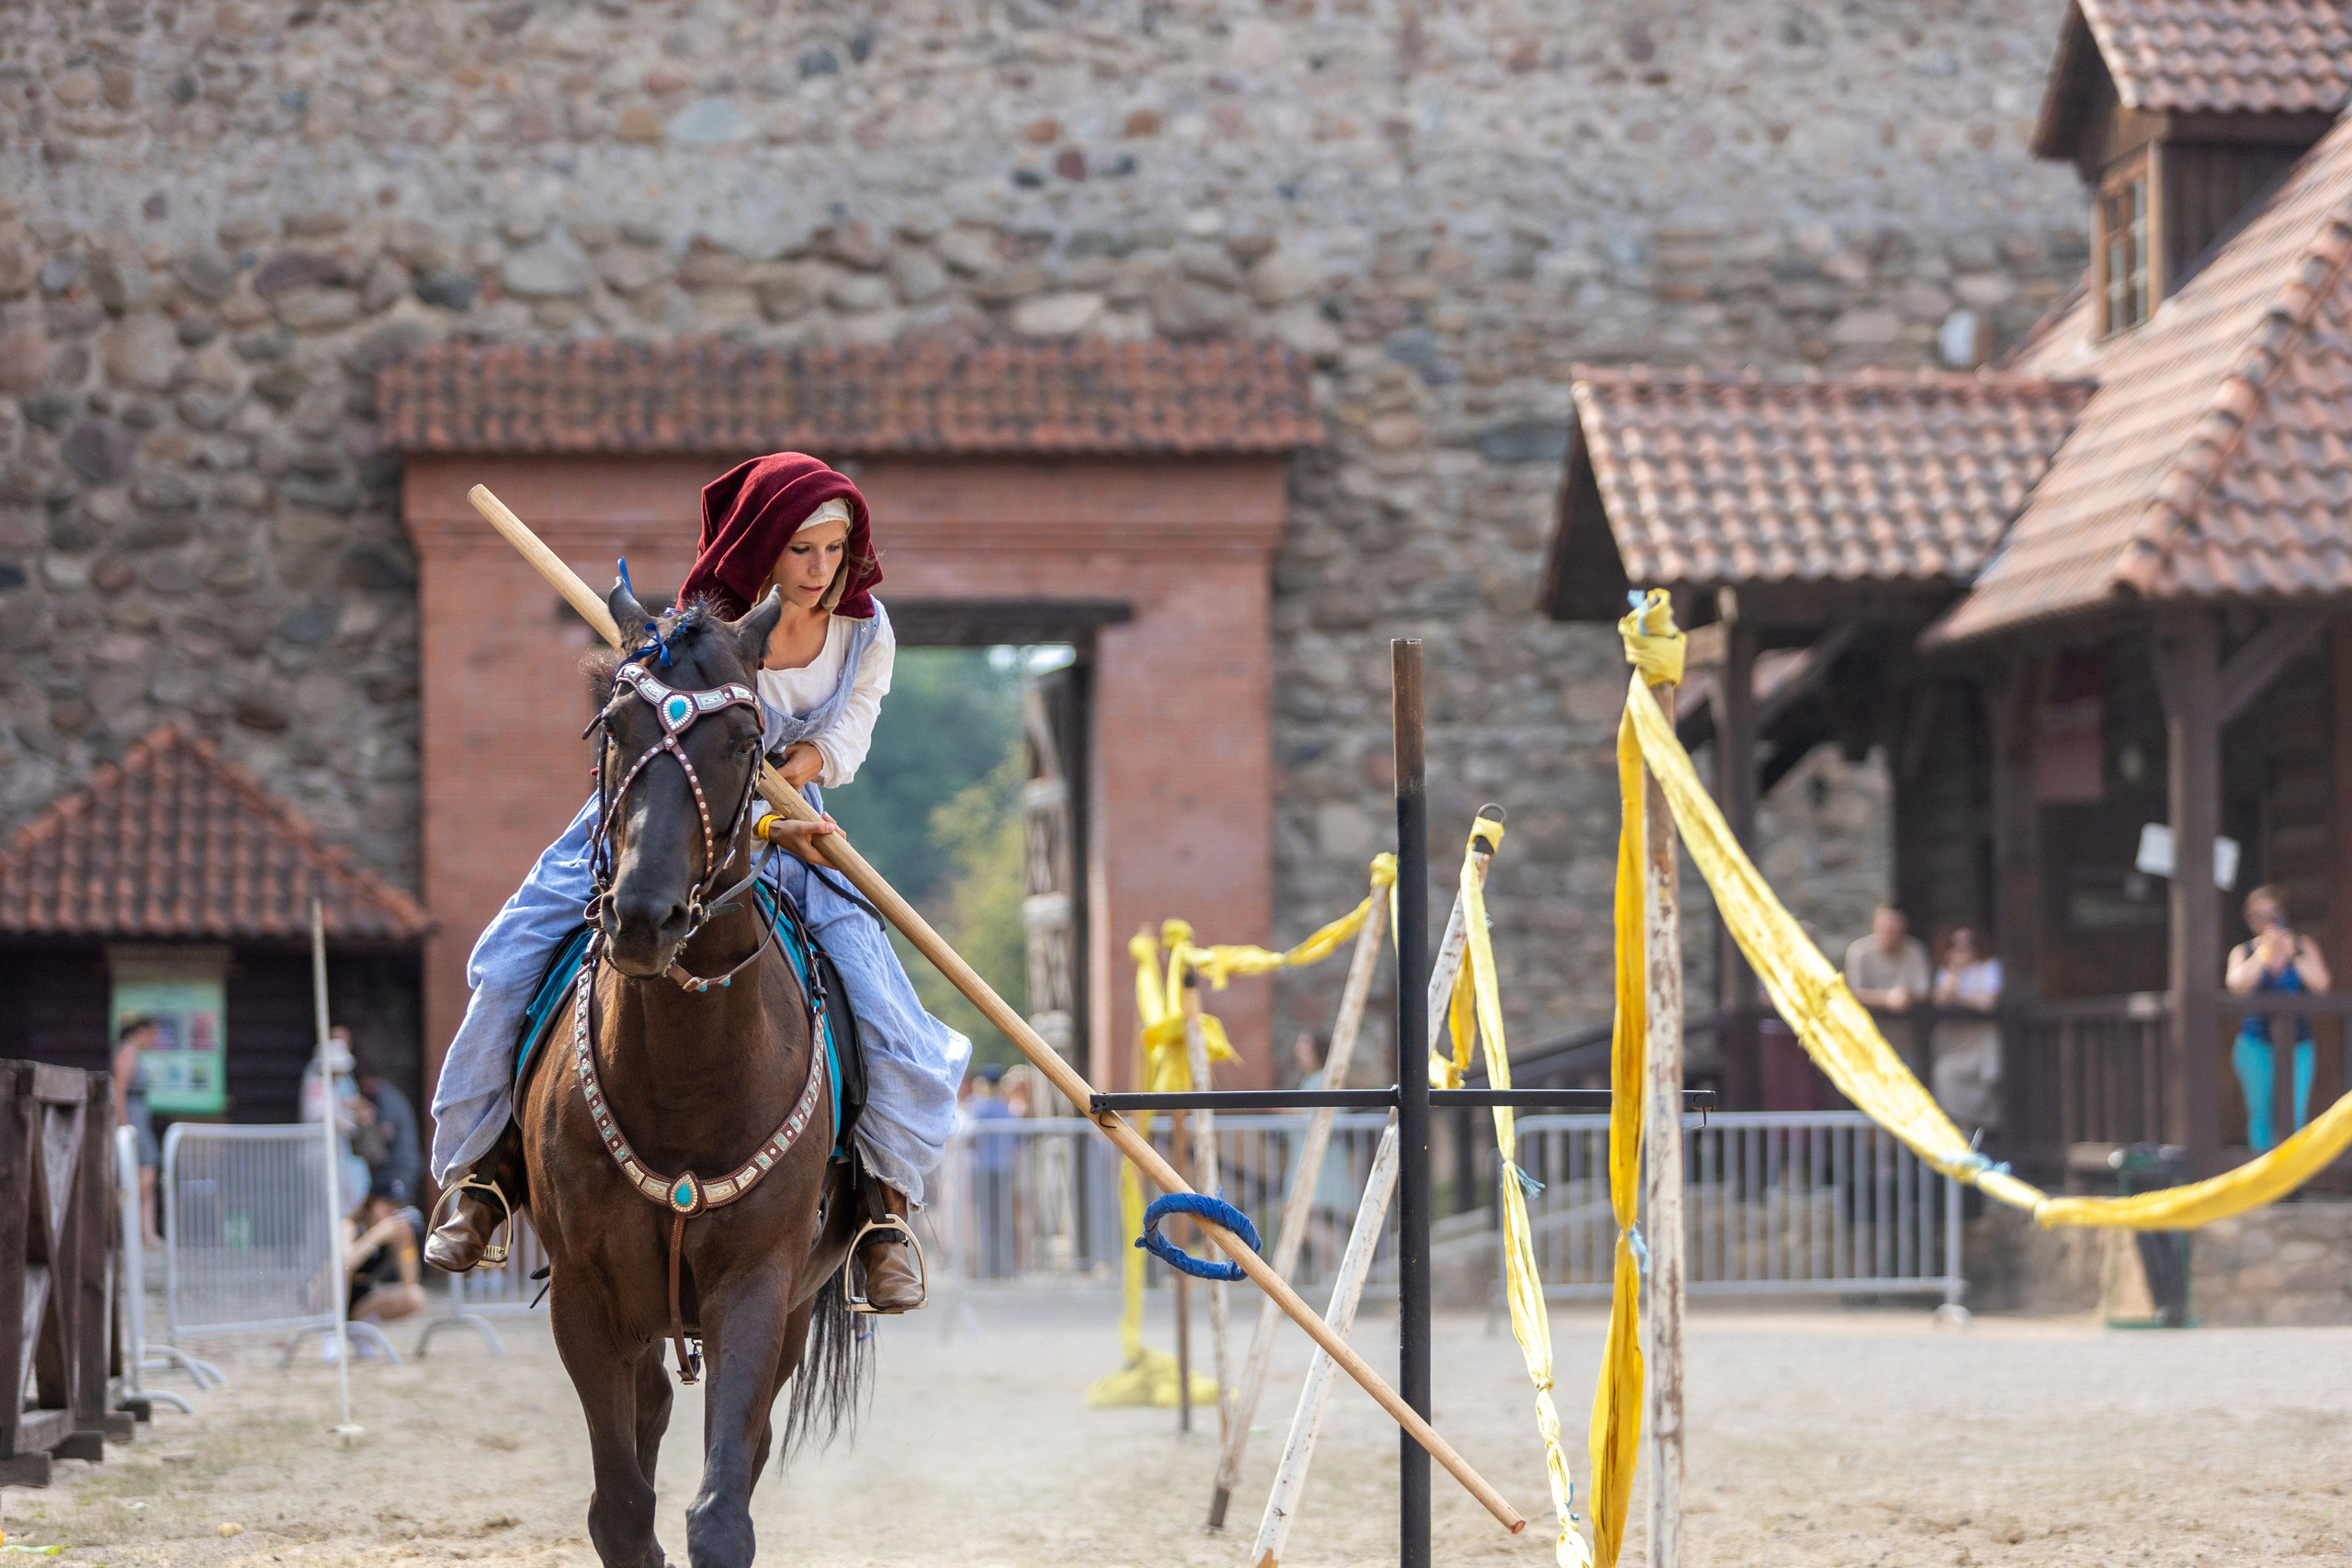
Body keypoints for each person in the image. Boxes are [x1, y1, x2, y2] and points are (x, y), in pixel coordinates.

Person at [424, 453, 970, 1314]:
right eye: (802, 550)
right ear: (763, 546)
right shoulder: (685, 633)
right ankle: (484, 1170)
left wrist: (804, 762)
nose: (821, 569)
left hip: (793, 827)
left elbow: (853, 730)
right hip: (665, 820)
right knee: (510, 956)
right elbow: (643, 744)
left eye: (835, 549)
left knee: (883, 1001)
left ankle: (880, 1209)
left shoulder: (868, 633)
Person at [2225, 885, 2331, 1152]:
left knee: (2293, 1116)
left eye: (2273, 914)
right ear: (2250, 920)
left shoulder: (2302, 945)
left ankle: (2292, 1185)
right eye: (2259, 916)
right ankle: (2264, 1181)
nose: (2268, 922)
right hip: (2255, 1043)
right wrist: (2264, 953)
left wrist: (2291, 952)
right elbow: (2236, 984)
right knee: (2261, 1116)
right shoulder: (2244, 951)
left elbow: (2321, 983)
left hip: (2298, 1044)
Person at [1928, 926, 2003, 1137]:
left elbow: (1988, 1002)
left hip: (1981, 1042)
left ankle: (1987, 1134)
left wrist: (1960, 998)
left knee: (1988, 1085)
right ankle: (1960, 1131)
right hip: (1955, 1043)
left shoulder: (1989, 969)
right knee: (1945, 1075)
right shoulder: (1947, 973)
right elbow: (1941, 1000)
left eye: (1967, 946)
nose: (1962, 952)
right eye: (1956, 947)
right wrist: (1954, 976)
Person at [111, 1016, 163, 1247]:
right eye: (151, 1034)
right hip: (132, 1119)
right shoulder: (127, 1052)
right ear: (140, 1031)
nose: (154, 1040)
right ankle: (120, 1206)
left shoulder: (135, 1054)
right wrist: (124, 1124)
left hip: (140, 1116)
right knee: (145, 1174)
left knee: (148, 1173)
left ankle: (147, 1233)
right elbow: (119, 1089)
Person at [962, 1066, 1017, 1279]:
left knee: (985, 1220)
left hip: (984, 1169)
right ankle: (1004, 1266)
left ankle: (988, 1266)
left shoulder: (980, 1109)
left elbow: (969, 1138)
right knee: (1002, 1219)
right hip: (1003, 1169)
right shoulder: (1006, 1109)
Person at [345, 1188, 426, 1325]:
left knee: (415, 1296)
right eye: (387, 1204)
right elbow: (345, 1264)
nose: (391, 1211)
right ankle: (332, 1335)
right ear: (371, 1203)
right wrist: (376, 1235)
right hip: (329, 1294)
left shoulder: (390, 1235)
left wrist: (407, 1246)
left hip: (361, 1296)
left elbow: (410, 1282)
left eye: (396, 1206)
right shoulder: (349, 1226)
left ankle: (361, 1333)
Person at [354, 1055, 423, 1207]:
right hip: (395, 1166)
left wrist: (364, 1123)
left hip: (401, 1164)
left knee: (398, 1207)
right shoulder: (381, 1095)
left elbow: (387, 1132)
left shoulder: (386, 1098)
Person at [1845, 905, 1930, 1013]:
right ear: (1875, 926)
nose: (1893, 930)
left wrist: (1905, 996)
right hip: (1868, 1020)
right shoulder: (1859, 951)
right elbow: (1852, 992)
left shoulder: (1915, 951)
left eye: (1897, 925)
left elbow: (1923, 992)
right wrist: (1886, 998)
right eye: (1887, 926)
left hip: (1909, 1020)